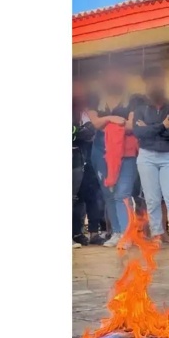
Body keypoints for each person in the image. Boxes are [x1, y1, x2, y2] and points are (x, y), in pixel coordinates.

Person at [132, 66, 169, 252]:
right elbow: (138, 133)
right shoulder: (140, 109)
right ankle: (156, 236)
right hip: (146, 157)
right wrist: (163, 126)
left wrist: (151, 128)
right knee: (152, 199)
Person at [86, 63, 140, 248]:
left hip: (126, 152)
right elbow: (95, 123)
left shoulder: (133, 100)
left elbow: (131, 126)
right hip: (101, 152)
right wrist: (111, 119)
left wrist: (106, 123)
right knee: (108, 193)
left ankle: (127, 234)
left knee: (122, 193)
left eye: (117, 75)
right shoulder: (95, 99)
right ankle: (116, 232)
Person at [72, 80, 96, 248]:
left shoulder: (81, 112)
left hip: (77, 157)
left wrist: (78, 133)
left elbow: (89, 132)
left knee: (78, 197)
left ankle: (77, 232)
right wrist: (78, 132)